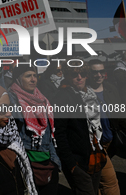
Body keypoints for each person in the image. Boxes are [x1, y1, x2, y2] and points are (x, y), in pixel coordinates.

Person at [52, 59, 106, 195]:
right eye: (74, 74)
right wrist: (71, 165)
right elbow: (59, 134)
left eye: (82, 73)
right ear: (67, 75)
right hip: (78, 161)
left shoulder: (90, 94)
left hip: (95, 154)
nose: (79, 77)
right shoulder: (63, 97)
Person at [9, 64, 60, 195]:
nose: (33, 79)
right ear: (18, 79)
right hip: (26, 163)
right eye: (28, 76)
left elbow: (49, 133)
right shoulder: (12, 99)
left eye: (35, 76)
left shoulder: (42, 99)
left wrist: (55, 162)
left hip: (47, 161)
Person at [88, 59, 121, 195]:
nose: (99, 75)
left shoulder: (110, 88)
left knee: (97, 181)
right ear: (89, 74)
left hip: (111, 141)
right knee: (110, 183)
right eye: (95, 72)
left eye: (101, 71)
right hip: (96, 145)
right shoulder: (83, 92)